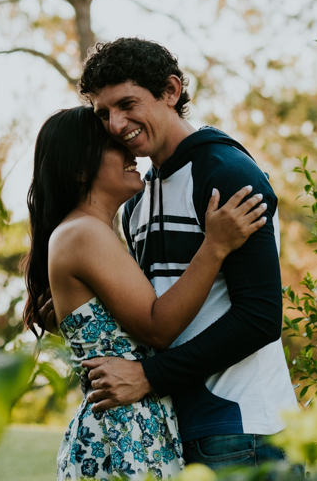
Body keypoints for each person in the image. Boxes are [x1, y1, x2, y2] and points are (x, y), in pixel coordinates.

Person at [43, 38, 300, 471]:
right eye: (104, 113)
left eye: (127, 103)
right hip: (175, 429)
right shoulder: (137, 201)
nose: (116, 123)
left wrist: (149, 377)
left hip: (240, 425)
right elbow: (153, 308)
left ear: (171, 92)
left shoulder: (227, 174)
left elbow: (260, 317)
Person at [22, 106, 269, 480]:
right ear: (78, 167)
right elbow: (158, 327)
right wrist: (215, 246)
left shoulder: (92, 233)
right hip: (125, 434)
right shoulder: (84, 234)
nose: (130, 152)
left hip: (136, 426)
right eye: (111, 144)